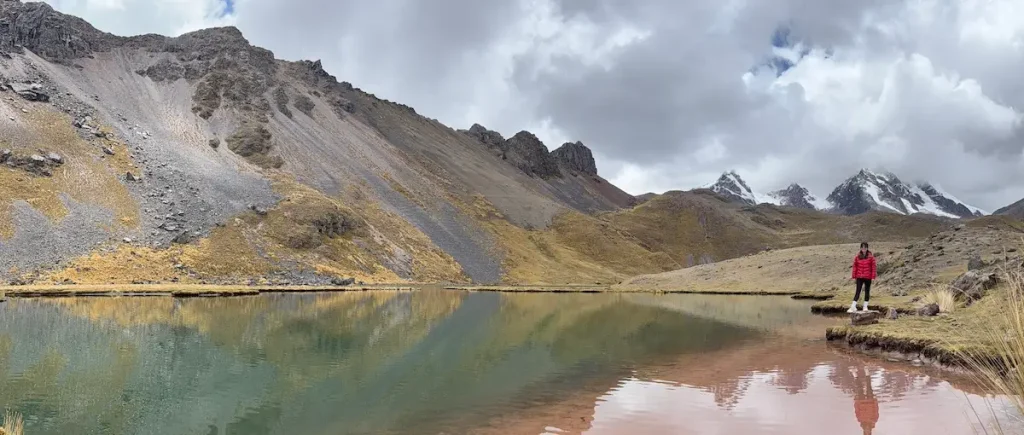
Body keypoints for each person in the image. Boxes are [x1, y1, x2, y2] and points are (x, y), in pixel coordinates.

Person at [848, 242, 877, 313]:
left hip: (868, 277)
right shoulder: (857, 257)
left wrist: (873, 277)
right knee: (858, 291)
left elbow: (873, 267)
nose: (863, 249)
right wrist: (854, 275)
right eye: (862, 248)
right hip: (859, 277)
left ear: (867, 248)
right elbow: (855, 266)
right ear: (860, 248)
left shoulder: (871, 257)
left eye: (865, 248)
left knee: (867, 291)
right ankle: (853, 306)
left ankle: (865, 306)